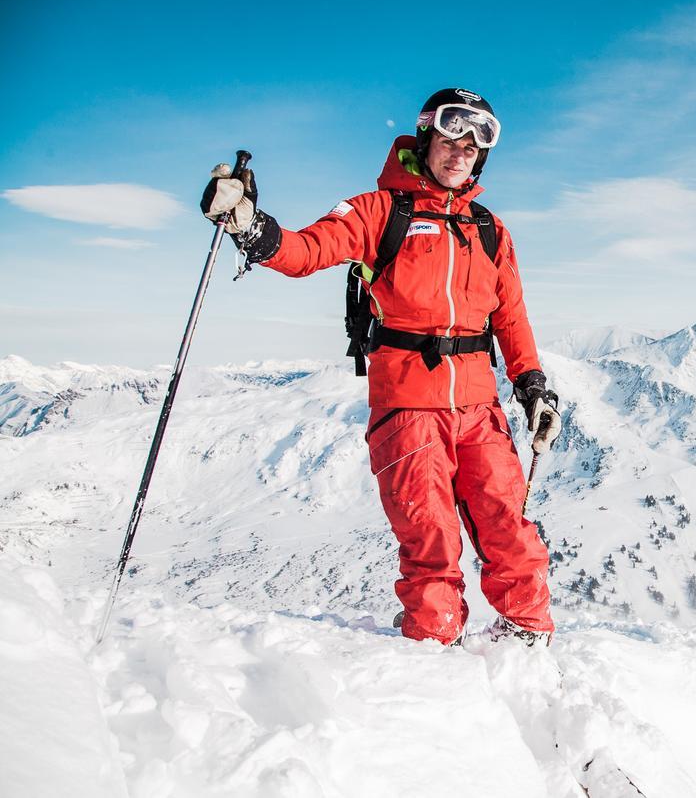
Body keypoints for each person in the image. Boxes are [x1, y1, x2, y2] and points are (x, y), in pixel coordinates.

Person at [200, 88, 561, 646]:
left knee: (509, 529)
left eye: (475, 142)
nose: (461, 150)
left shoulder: (491, 230)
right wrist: (250, 224)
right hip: (407, 410)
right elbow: (304, 252)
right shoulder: (379, 211)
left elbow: (510, 316)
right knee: (431, 540)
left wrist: (532, 386)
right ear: (426, 137)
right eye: (451, 136)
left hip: (479, 409)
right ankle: (433, 651)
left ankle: (528, 638)